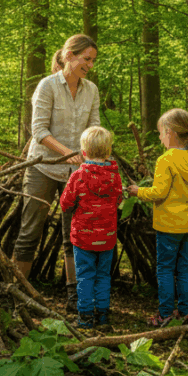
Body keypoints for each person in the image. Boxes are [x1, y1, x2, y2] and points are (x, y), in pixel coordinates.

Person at [12, 34, 100, 314]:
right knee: (30, 230)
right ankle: (18, 292)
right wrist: (67, 153)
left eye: (93, 60)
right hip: (43, 167)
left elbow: (94, 129)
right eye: (86, 59)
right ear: (69, 56)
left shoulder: (92, 90)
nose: (90, 65)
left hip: (76, 173)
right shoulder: (47, 86)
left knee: (74, 234)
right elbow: (38, 132)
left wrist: (94, 153)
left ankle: (73, 295)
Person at [128, 108, 188, 327]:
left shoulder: (166, 160)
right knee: (183, 268)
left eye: (161, 133)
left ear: (169, 132)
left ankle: (165, 314)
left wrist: (137, 191)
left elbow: (158, 193)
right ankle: (186, 312)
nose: (160, 138)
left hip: (169, 226)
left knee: (165, 270)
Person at [59, 126, 122, 329]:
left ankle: (85, 317)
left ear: (83, 152)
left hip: (83, 238)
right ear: (108, 151)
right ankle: (102, 315)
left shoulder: (78, 176)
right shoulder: (114, 176)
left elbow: (65, 203)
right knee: (103, 276)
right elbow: (119, 198)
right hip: (107, 237)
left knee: (85, 277)